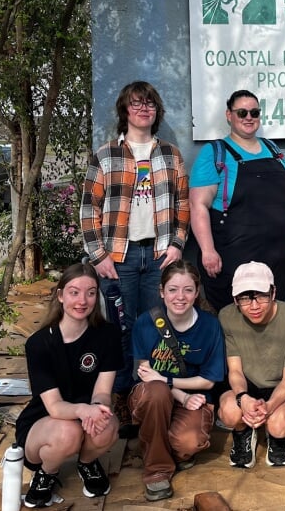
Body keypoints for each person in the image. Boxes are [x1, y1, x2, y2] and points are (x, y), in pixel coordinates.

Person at [80, 80, 190, 396]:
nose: (144, 109)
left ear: (157, 111)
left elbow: (182, 203)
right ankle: (124, 397)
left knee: (158, 326)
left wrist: (177, 245)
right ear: (125, 111)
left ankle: (153, 395)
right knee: (119, 329)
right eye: (137, 103)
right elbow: (90, 207)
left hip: (159, 255)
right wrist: (98, 255)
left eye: (149, 104)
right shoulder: (106, 154)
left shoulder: (170, 154)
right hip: (119, 257)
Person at [15, 263, 122, 508]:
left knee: (108, 426)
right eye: (74, 292)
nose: (82, 300)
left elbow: (103, 391)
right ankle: (47, 473)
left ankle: (87, 463)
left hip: (85, 415)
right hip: (43, 424)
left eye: (91, 292)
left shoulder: (108, 335)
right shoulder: (39, 344)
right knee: (68, 432)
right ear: (61, 296)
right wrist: (83, 411)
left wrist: (98, 409)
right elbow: (54, 407)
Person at [189, 89, 285, 311]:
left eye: (254, 112)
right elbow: (197, 205)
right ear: (229, 115)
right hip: (233, 257)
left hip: (277, 256)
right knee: (234, 320)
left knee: (271, 316)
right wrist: (208, 251)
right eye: (242, 113)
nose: (249, 117)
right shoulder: (214, 153)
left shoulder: (273, 149)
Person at [127, 261, 225, 501]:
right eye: (172, 289)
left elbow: (208, 382)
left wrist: (169, 383)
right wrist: (180, 393)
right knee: (157, 392)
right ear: (161, 292)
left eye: (188, 290)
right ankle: (157, 471)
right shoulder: (145, 323)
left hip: (192, 397)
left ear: (196, 292)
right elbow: (147, 375)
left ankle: (154, 443)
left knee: (189, 443)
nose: (180, 297)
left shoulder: (210, 326)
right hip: (153, 396)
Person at [217, 261, 285, 468]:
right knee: (229, 413)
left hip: (278, 386)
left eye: (261, 296)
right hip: (245, 383)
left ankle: (275, 437)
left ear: (273, 292)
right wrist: (243, 398)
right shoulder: (227, 317)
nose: (254, 306)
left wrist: (268, 408)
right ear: (235, 299)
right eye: (245, 298)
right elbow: (234, 370)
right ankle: (242, 432)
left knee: (278, 425)